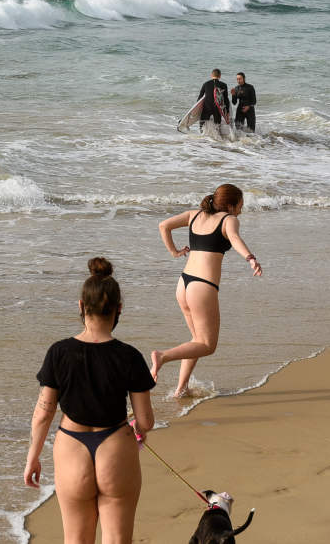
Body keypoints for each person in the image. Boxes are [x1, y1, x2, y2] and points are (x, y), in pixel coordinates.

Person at [25, 257, 155, 543]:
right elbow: (145, 422)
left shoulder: (59, 352)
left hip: (72, 448)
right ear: (118, 309)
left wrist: (33, 457)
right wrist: (139, 426)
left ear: (81, 307)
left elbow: (43, 413)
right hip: (115, 449)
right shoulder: (129, 355)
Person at [150, 184, 262, 397]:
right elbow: (235, 238)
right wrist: (250, 258)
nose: (241, 210)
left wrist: (174, 252)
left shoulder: (194, 215)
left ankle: (180, 389)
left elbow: (163, 225)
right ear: (230, 205)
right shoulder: (229, 220)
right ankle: (162, 356)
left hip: (183, 284)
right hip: (202, 286)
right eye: (240, 205)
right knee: (208, 345)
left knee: (196, 341)